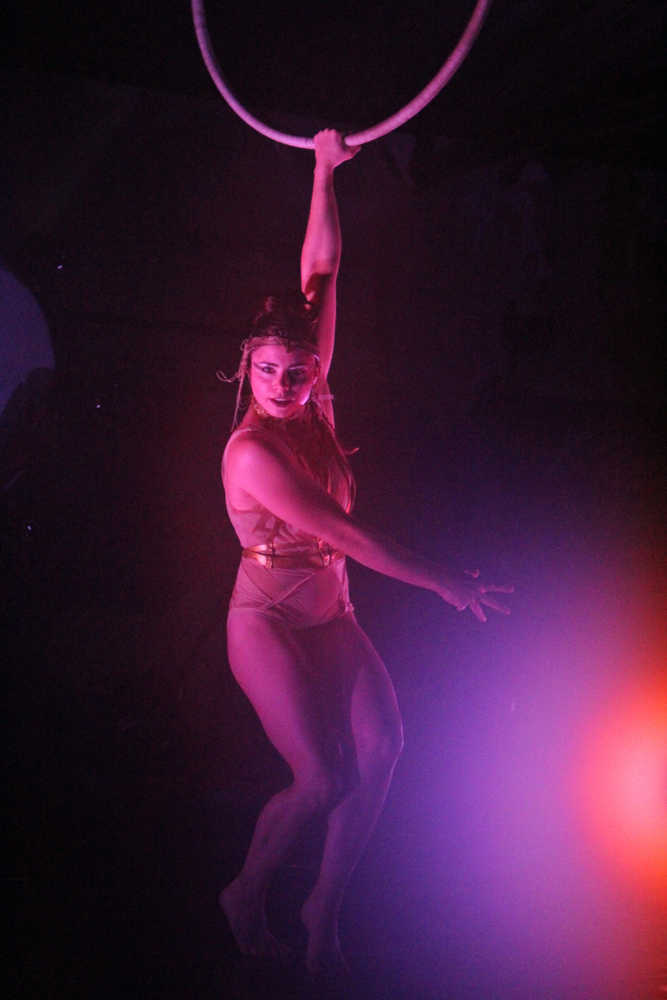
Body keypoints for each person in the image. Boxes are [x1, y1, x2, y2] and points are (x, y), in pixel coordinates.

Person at [219, 129, 511, 975]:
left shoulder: (312, 397)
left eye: (297, 371)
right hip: (267, 621)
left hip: (331, 613)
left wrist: (322, 172)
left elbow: (322, 272)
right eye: (268, 371)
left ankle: (322, 905)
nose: (284, 385)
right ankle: (245, 891)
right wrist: (444, 582)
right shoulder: (252, 452)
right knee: (320, 779)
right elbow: (347, 536)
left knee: (382, 750)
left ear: (313, 369)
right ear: (247, 365)